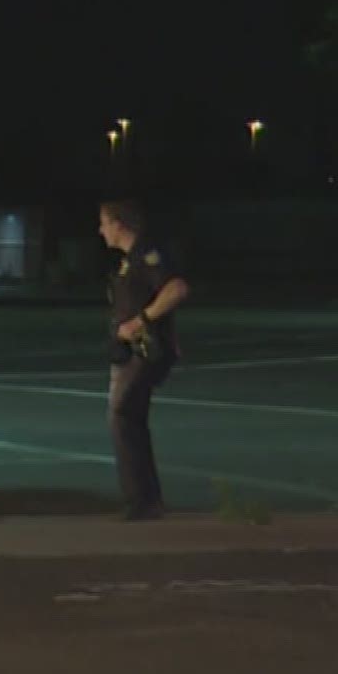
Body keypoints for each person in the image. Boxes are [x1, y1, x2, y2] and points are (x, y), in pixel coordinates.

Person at [99, 199, 191, 521]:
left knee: (123, 415)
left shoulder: (147, 255)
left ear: (119, 224)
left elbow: (176, 288)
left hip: (145, 349)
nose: (101, 231)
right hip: (129, 351)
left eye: (104, 223)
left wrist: (141, 321)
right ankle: (144, 497)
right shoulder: (129, 261)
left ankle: (142, 500)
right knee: (128, 419)